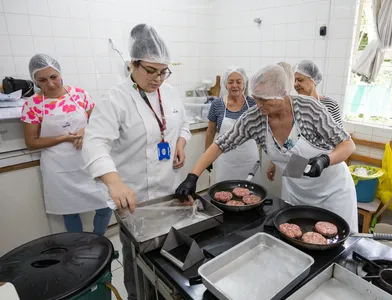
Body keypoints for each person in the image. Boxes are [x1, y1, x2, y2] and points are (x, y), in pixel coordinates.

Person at [176, 65, 358, 232]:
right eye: (256, 99)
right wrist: (193, 176)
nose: (259, 106)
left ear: (283, 94)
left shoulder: (309, 109)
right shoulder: (255, 118)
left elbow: (348, 144)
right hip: (298, 191)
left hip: (332, 191)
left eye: (265, 101)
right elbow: (220, 144)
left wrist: (326, 160)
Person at [82, 24, 191, 300]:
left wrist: (180, 142)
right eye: (151, 71)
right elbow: (94, 142)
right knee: (136, 262)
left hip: (168, 194)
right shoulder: (116, 99)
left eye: (163, 71)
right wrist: (114, 182)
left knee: (167, 259)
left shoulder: (171, 93)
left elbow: (184, 123)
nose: (158, 79)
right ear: (132, 64)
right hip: (134, 199)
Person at [21, 54, 112, 235]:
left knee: (105, 205)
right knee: (70, 212)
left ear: (60, 73)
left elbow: (97, 122)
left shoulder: (80, 94)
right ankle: (79, 247)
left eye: (54, 77)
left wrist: (83, 132)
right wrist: (64, 138)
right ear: (35, 81)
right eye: (43, 80)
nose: (51, 84)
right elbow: (31, 142)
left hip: (87, 161)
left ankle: (99, 241)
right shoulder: (32, 104)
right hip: (58, 167)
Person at [205, 67, 259, 182]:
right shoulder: (217, 104)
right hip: (225, 161)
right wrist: (206, 157)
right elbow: (210, 131)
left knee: (251, 195)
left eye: (239, 82)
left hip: (249, 161)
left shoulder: (254, 104)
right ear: (225, 84)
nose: (235, 85)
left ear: (244, 83)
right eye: (230, 82)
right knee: (223, 194)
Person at [293, 59, 343, 126]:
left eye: (300, 80)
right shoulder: (293, 104)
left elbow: (339, 135)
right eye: (294, 80)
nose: (295, 84)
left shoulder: (330, 105)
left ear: (313, 80)